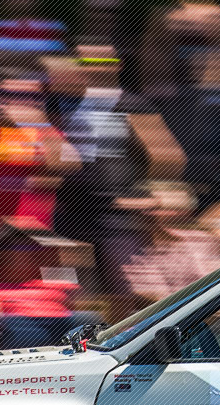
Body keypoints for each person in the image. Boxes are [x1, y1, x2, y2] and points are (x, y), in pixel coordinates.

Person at [48, 43, 184, 296]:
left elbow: (167, 157)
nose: (94, 69)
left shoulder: (131, 104)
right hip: (68, 215)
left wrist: (147, 197)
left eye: (104, 62)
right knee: (68, 293)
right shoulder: (63, 105)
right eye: (85, 63)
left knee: (126, 295)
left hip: (116, 219)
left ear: (118, 66)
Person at [139, 0, 220, 190]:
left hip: (213, 95)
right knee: (172, 142)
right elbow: (151, 53)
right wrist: (153, 86)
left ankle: (201, 185)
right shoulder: (163, 15)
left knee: (206, 143)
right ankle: (171, 186)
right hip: (172, 96)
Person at [0, 73, 78, 238]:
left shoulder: (46, 134)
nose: (22, 102)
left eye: (32, 96)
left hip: (28, 239)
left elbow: (71, 164)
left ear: (42, 101)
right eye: (11, 95)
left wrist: (37, 123)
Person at [119, 182, 220, 308]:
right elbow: (152, 296)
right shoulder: (130, 246)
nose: (173, 214)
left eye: (179, 210)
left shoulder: (203, 241)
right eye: (160, 209)